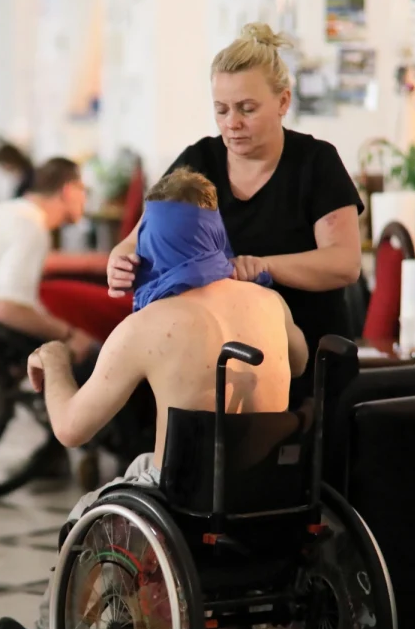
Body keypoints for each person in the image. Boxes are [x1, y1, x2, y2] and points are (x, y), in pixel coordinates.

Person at [0, 168, 308, 629]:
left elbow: (71, 428)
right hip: (272, 498)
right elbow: (298, 362)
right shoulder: (268, 304)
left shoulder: (148, 325)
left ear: (151, 243)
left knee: (92, 510)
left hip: (183, 507)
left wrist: (57, 361)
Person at [107, 22, 362, 404]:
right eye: (221, 110)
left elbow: (344, 263)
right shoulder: (198, 160)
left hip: (310, 362)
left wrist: (263, 266)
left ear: (283, 102)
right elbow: (136, 239)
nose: (232, 123)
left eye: (247, 109)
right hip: (213, 358)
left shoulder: (316, 163)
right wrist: (121, 260)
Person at [0, 157, 98, 362]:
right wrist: (70, 334)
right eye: (84, 191)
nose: (85, 200)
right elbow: (9, 310)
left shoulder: (6, 211)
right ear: (69, 190)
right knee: (96, 352)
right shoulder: (30, 226)